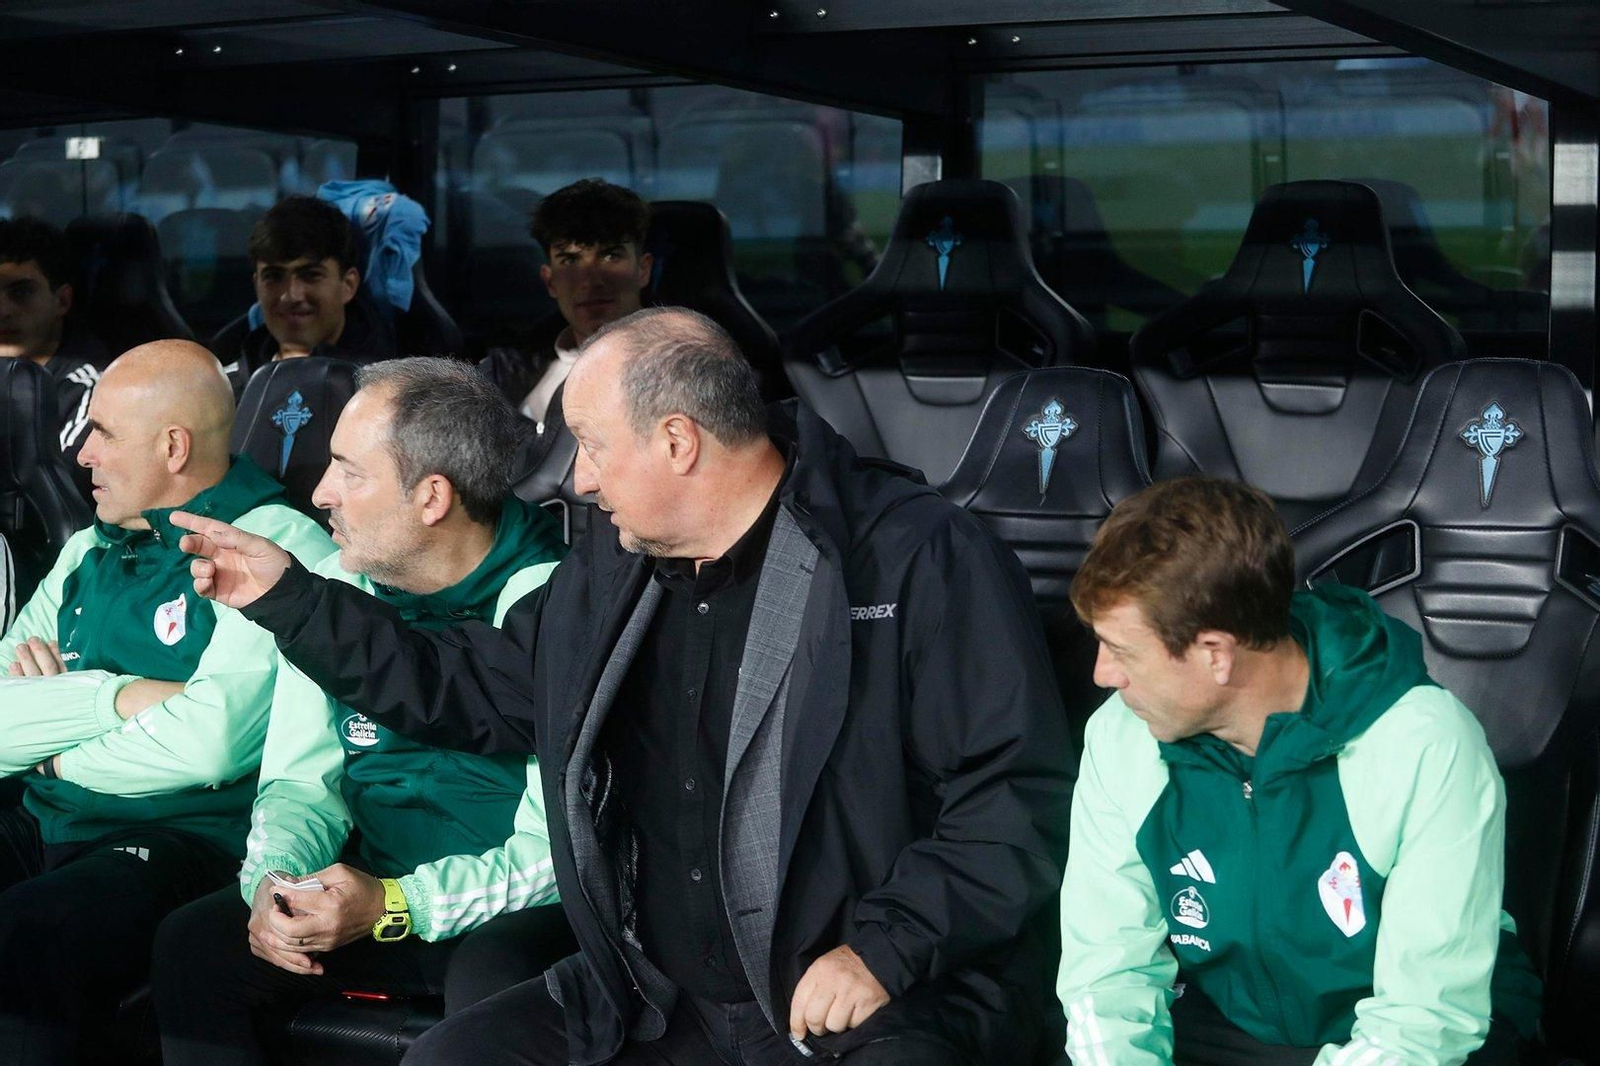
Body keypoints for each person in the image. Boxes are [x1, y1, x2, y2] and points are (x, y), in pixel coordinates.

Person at [173, 306, 1074, 1065]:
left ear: (678, 441)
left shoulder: (910, 555)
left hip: (854, 991)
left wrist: (884, 950)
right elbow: (476, 690)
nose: (579, 477)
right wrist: (291, 598)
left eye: (594, 447)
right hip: (654, 993)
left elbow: (1014, 799)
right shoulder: (616, 560)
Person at [153, 356, 573, 1065]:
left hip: (499, 908)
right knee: (197, 942)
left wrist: (398, 902)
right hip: (364, 899)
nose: (320, 493)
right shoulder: (338, 594)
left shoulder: (554, 602)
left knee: (498, 976)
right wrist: (276, 888)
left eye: (349, 471)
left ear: (432, 496)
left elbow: (556, 857)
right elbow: (299, 785)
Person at [1055, 477, 1541, 1066]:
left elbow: (1424, 1024)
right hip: (1234, 1023)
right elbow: (1108, 975)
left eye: (1123, 651)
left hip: (1427, 1038)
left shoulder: (1424, 743)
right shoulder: (1120, 734)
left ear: (1216, 654)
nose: (1103, 675)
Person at [0, 339, 334, 1065]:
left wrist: (49, 741)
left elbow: (210, 744)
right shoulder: (89, 546)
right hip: (44, 816)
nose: (81, 454)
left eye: (103, 434)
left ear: (173, 446)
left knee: (30, 931)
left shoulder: (273, 543)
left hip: (188, 840)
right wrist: (117, 700)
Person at [478, 178, 652, 437]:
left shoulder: (688, 369)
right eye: (570, 260)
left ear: (643, 269)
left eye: (610, 256)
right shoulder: (507, 371)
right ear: (550, 281)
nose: (590, 280)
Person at [219, 195, 396, 396]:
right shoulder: (225, 390)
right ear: (257, 285)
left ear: (348, 285)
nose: (291, 296)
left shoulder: (390, 393)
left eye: (311, 275)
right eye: (274, 276)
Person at [0, 215, 111, 496]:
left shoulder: (94, 387)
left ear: (62, 301)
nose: (3, 311)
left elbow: (58, 496)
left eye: (21, 292)